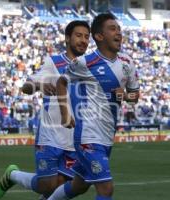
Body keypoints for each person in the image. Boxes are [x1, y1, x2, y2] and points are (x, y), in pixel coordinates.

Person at [0, 20, 90, 199]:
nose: (83, 40)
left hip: (75, 139)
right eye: (79, 35)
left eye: (86, 37)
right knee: (47, 185)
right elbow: (26, 87)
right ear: (67, 38)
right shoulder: (53, 63)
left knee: (61, 186)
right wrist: (40, 84)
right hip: (50, 136)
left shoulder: (89, 67)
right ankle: (12, 175)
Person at [48, 13, 140, 200]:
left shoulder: (127, 62)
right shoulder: (84, 63)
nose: (119, 33)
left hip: (107, 137)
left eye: (119, 29)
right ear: (99, 36)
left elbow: (134, 96)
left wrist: (125, 95)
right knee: (106, 188)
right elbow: (61, 83)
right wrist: (66, 114)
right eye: (113, 29)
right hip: (88, 137)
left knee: (78, 186)